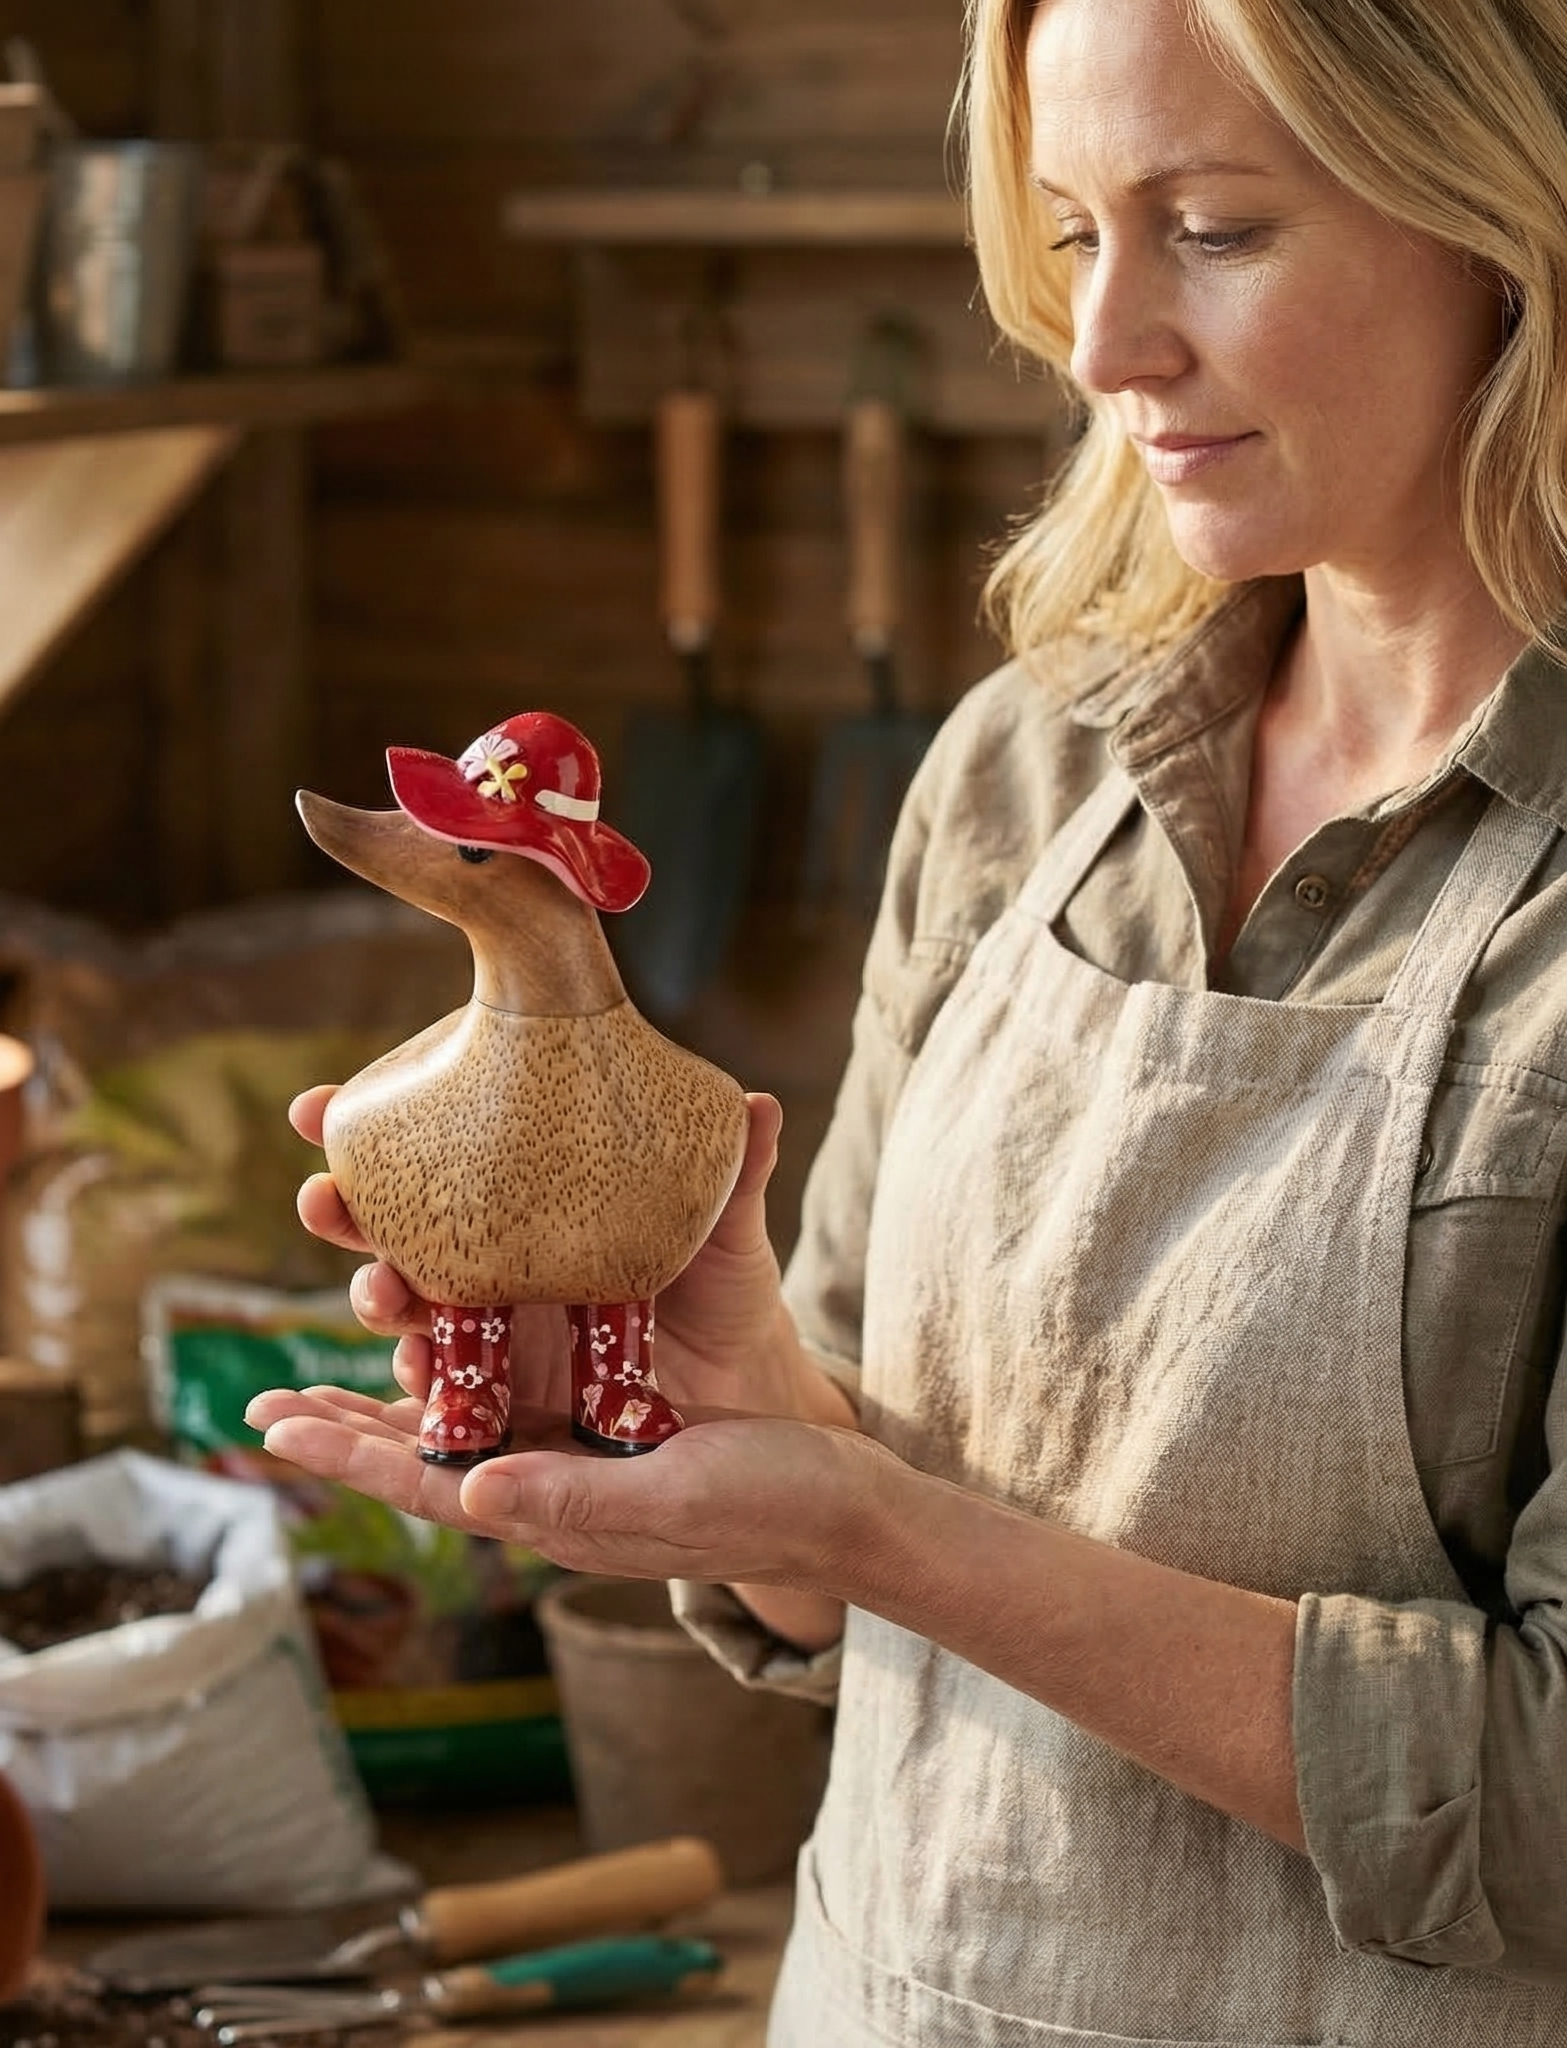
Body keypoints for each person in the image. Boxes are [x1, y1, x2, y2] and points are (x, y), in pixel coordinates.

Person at [247, 0, 1567, 2038]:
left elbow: (1547, 1802)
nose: (1102, 345)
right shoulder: (1019, 775)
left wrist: (883, 1527)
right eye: (1066, 235)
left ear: (1500, 226)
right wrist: (743, 1405)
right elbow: (845, 1538)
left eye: (1211, 226)